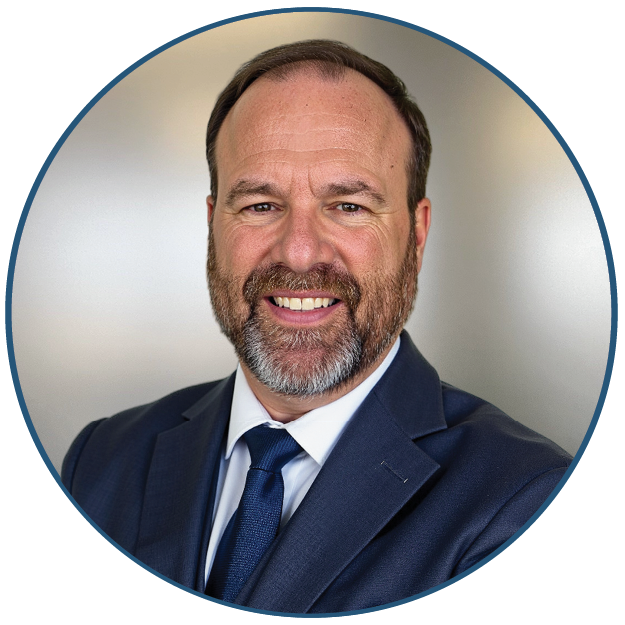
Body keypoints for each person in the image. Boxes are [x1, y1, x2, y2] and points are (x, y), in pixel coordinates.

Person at [62, 40, 572, 613]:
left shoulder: (526, 503)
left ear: (416, 235)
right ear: (213, 226)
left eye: (349, 206)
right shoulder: (101, 462)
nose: (300, 252)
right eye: (260, 205)